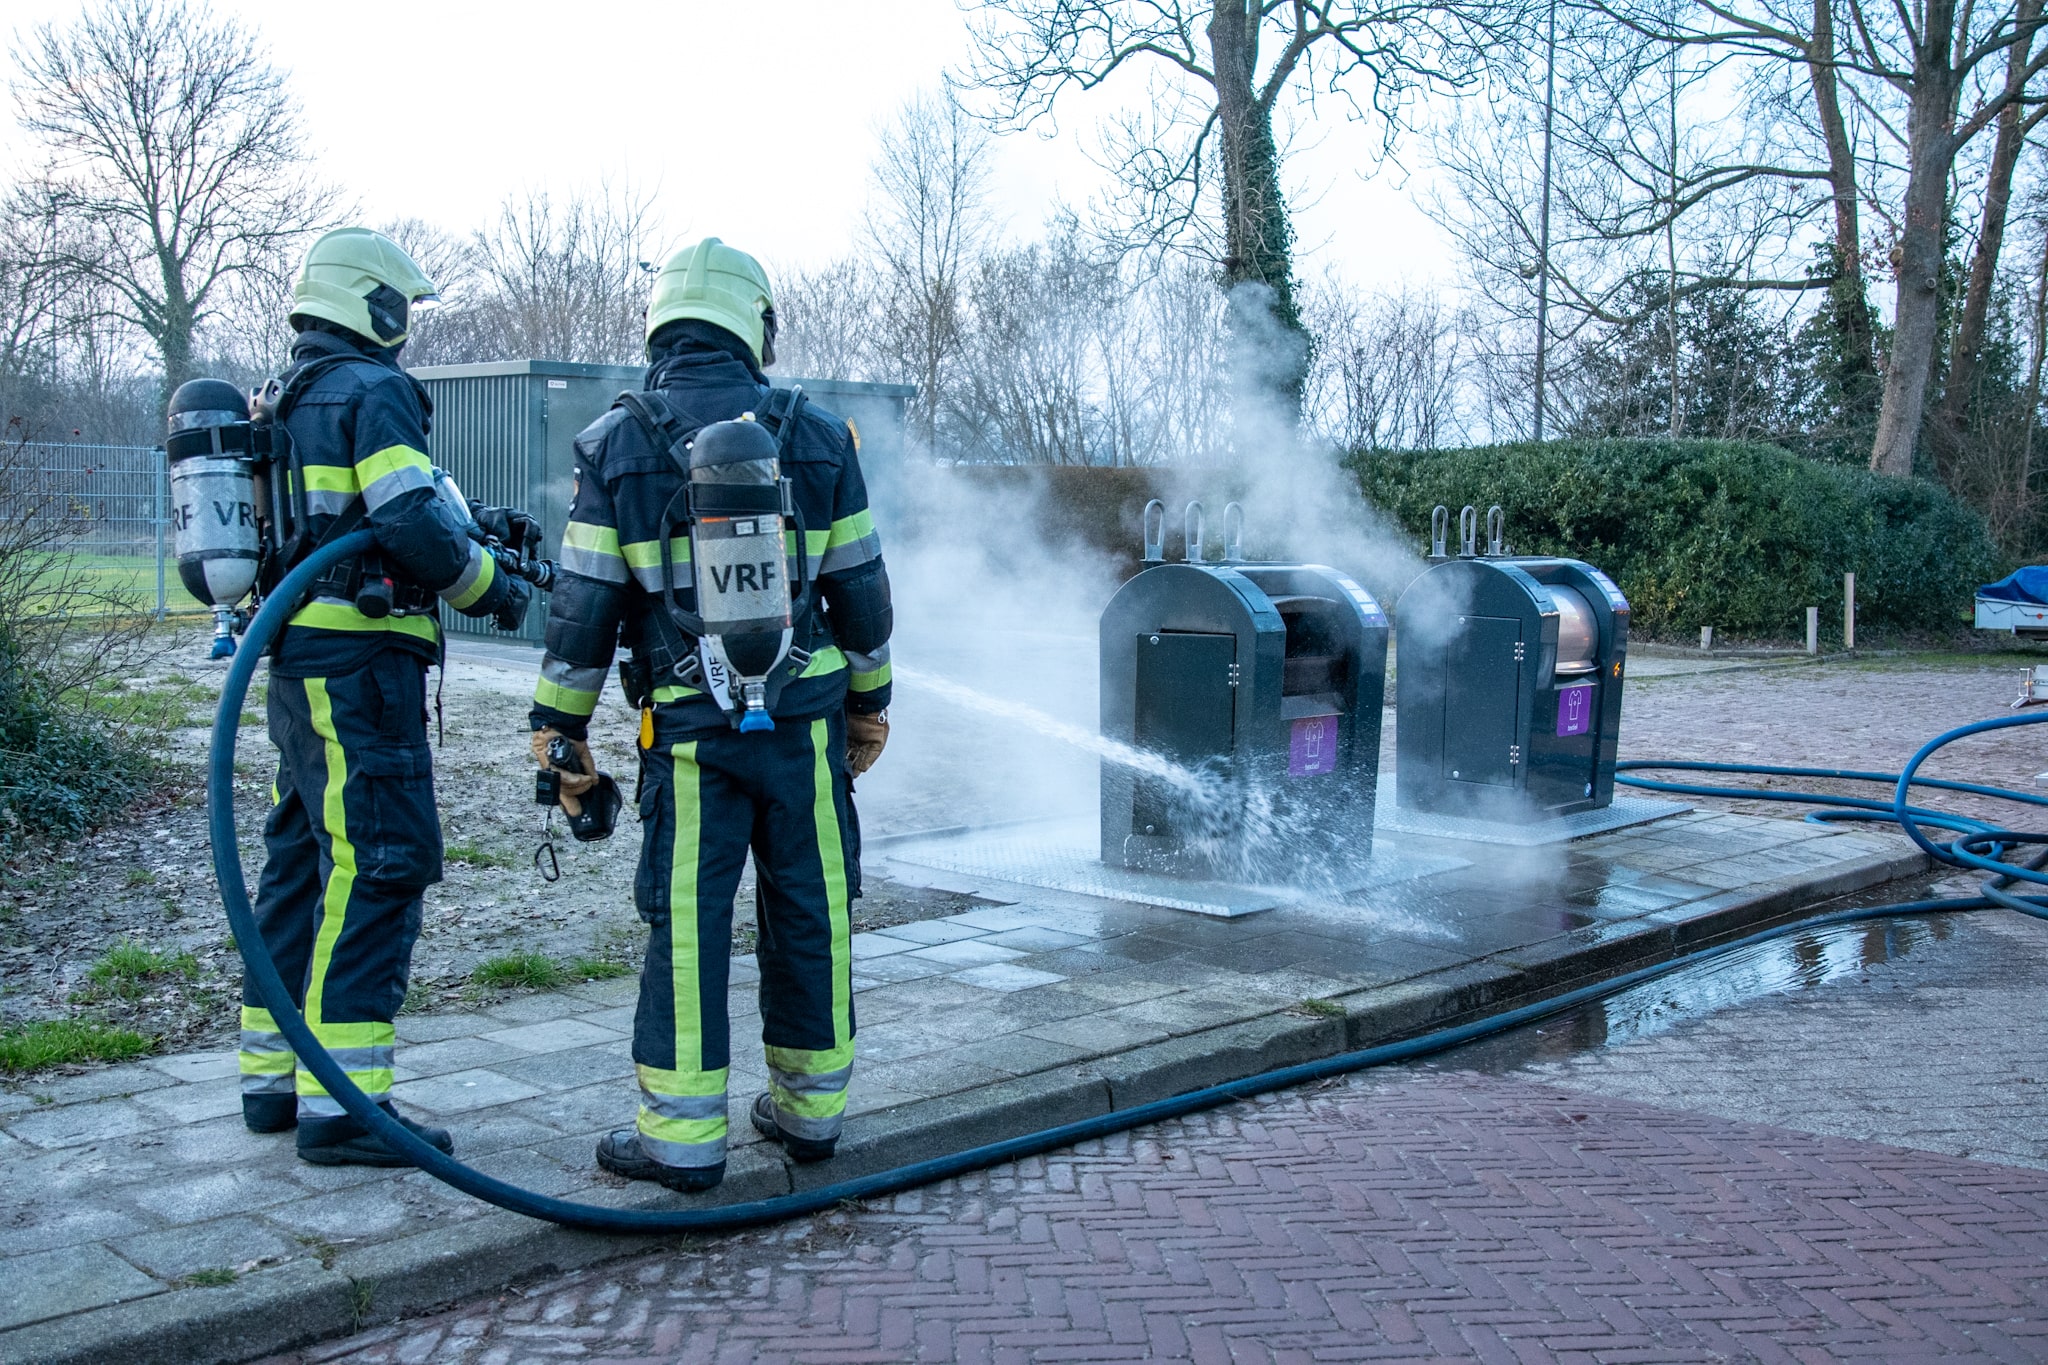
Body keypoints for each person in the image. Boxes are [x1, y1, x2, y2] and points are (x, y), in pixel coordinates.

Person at [528, 237, 893, 1193]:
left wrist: (561, 733)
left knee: (687, 922)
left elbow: (584, 610)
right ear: (754, 327)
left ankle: (683, 1142)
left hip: (687, 733)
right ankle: (812, 1117)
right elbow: (862, 592)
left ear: (661, 327)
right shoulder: (818, 435)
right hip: (806, 722)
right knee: (811, 908)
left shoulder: (617, 443)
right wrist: (870, 705)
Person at [237, 227, 534, 1167]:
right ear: (374, 305)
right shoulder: (376, 389)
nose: (405, 330)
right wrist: (496, 588)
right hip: (362, 664)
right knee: (382, 858)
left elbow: (360, 514)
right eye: (400, 309)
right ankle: (348, 1106)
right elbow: (406, 515)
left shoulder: (284, 395)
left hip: (297, 660)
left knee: (305, 857)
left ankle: (272, 1077)